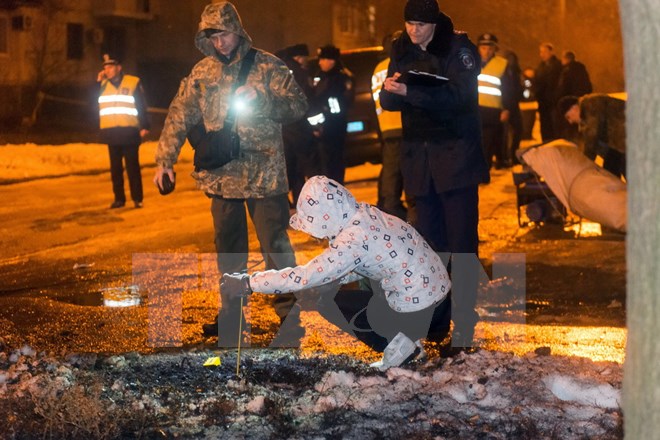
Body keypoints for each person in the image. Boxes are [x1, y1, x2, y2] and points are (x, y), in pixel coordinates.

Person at [152, 2, 309, 346]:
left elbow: (298, 105)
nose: (220, 42)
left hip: (264, 175)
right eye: (213, 36)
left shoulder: (268, 65)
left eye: (224, 33)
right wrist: (165, 160)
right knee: (229, 250)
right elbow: (180, 115)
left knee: (276, 246)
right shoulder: (202, 73)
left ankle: (289, 314)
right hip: (222, 177)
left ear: (237, 30)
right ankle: (233, 316)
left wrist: (263, 96)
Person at [221, 175, 452, 370]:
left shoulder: (352, 239)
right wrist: (332, 276)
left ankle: (400, 348)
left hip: (420, 309)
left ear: (323, 218)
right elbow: (368, 263)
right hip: (440, 301)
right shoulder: (367, 214)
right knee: (363, 283)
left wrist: (249, 283)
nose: (314, 235)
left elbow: (303, 276)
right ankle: (408, 339)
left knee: (329, 302)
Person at [379, 0, 490, 348]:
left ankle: (464, 328)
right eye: (409, 23)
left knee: (462, 247)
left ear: (435, 24)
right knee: (427, 249)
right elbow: (390, 103)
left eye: (421, 25)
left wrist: (414, 92)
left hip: (455, 160)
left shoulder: (458, 50)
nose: (414, 31)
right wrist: (393, 93)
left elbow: (461, 98)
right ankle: (435, 323)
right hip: (419, 164)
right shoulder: (401, 48)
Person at [97, 54, 150, 209]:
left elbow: (141, 105)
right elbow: (91, 104)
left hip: (129, 132)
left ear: (119, 68)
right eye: (105, 67)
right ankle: (119, 199)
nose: (107, 70)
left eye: (110, 67)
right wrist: (97, 83)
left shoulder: (132, 82)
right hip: (111, 132)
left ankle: (137, 198)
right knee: (115, 170)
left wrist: (145, 125)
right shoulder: (102, 85)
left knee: (132, 167)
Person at [372, 31, 415, 223]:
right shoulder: (402, 65)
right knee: (409, 170)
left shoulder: (378, 69)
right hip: (405, 124)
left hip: (387, 126)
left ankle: (390, 205)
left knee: (391, 170)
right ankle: (407, 210)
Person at [275, 43, 316, 207]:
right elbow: (306, 98)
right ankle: (300, 201)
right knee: (300, 166)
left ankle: (284, 202)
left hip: (279, 128)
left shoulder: (273, 71)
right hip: (297, 126)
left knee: (285, 166)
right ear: (299, 57)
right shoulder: (298, 71)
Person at [310, 44, 355, 184]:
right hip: (323, 130)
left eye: (323, 59)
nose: (320, 62)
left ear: (332, 60)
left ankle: (335, 194)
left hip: (333, 129)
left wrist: (322, 123)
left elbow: (335, 107)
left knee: (333, 164)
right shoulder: (320, 76)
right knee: (324, 165)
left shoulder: (340, 79)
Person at [476, 33, 519, 169]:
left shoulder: (502, 64)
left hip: (493, 110)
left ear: (495, 49)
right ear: (478, 48)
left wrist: (506, 109)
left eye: (490, 48)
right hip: (473, 109)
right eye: (483, 48)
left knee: (487, 143)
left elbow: (508, 90)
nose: (486, 51)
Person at [557, 93, 626, 179]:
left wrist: (584, 164)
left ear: (573, 108)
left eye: (568, 117)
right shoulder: (589, 110)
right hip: (620, 142)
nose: (570, 122)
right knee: (611, 170)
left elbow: (592, 136)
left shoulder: (590, 104)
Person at [533, 42, 562, 142]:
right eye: (541, 52)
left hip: (554, 103)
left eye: (544, 52)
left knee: (555, 128)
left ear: (551, 52)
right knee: (545, 128)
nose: (542, 54)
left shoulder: (558, 66)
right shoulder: (540, 67)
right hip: (543, 103)